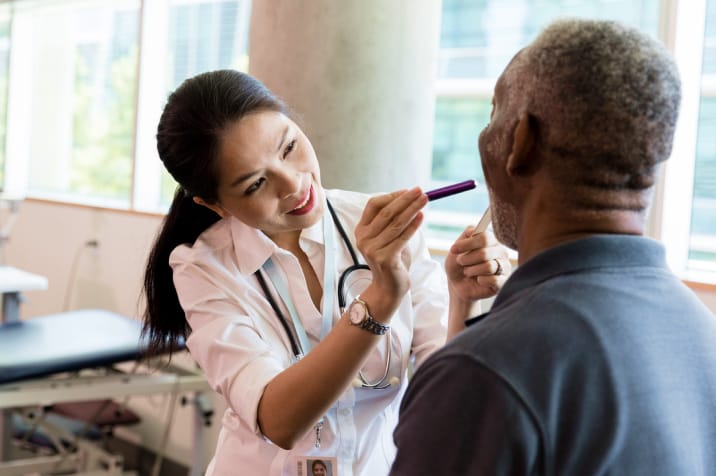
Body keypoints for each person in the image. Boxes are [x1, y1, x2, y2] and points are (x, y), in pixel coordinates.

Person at [142, 69, 510, 475]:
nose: (293, 185)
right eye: (255, 184)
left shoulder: (381, 228)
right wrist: (380, 298)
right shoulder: (203, 268)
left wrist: (463, 300)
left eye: (289, 147)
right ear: (216, 205)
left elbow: (448, 394)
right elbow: (278, 420)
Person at [391, 18, 716, 475]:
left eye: (494, 112)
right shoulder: (702, 334)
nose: (485, 135)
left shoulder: (483, 373)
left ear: (521, 141)